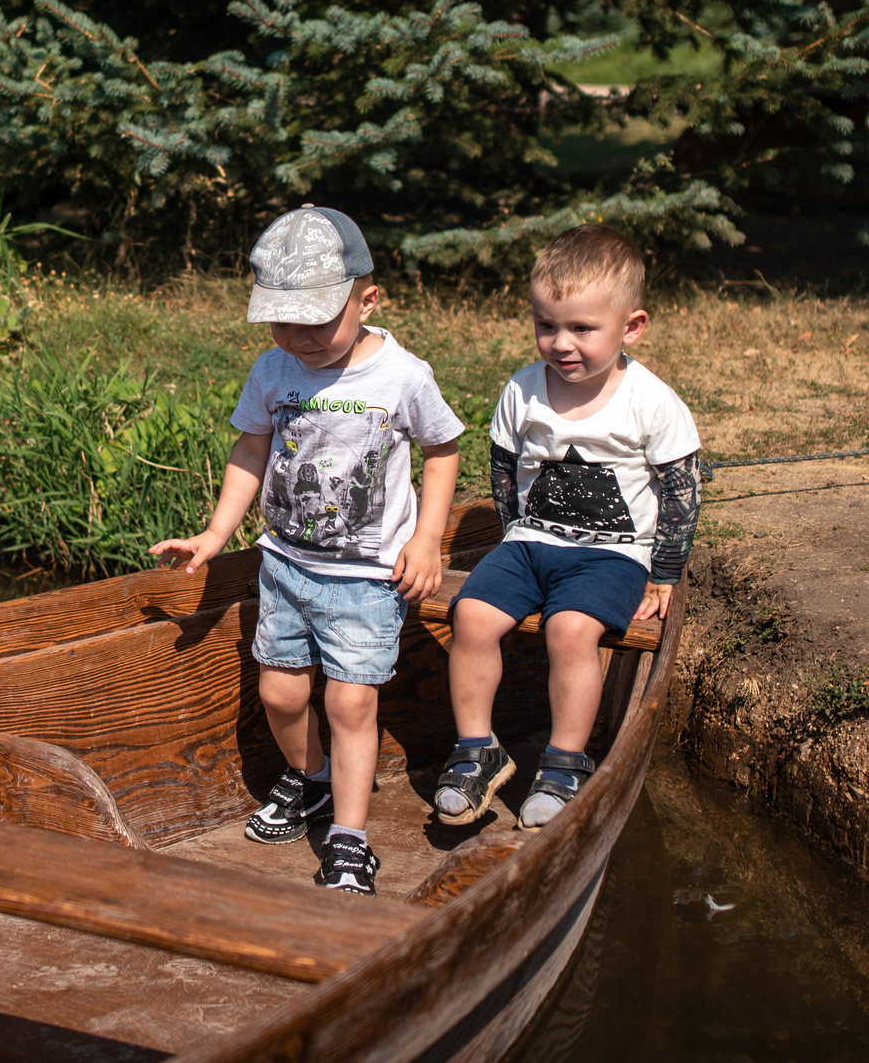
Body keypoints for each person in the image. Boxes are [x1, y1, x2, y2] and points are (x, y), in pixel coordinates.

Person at [149, 205, 464, 898]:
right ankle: (313, 780)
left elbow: (442, 450)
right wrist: (216, 532)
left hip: (366, 576)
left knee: (352, 704)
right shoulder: (275, 367)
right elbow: (252, 447)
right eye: (282, 321)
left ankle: (350, 839)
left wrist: (428, 538)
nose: (300, 337)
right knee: (280, 693)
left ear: (368, 298)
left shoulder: (402, 377)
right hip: (287, 567)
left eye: (318, 320)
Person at [432, 224, 701, 830]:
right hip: (531, 542)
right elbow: (503, 472)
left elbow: (682, 490)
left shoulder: (651, 401)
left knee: (571, 630)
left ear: (631, 327)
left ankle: (564, 762)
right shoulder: (523, 390)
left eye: (582, 328)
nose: (561, 343)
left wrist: (665, 573)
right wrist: (510, 538)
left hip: (614, 554)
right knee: (471, 615)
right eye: (547, 325)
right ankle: (479, 749)